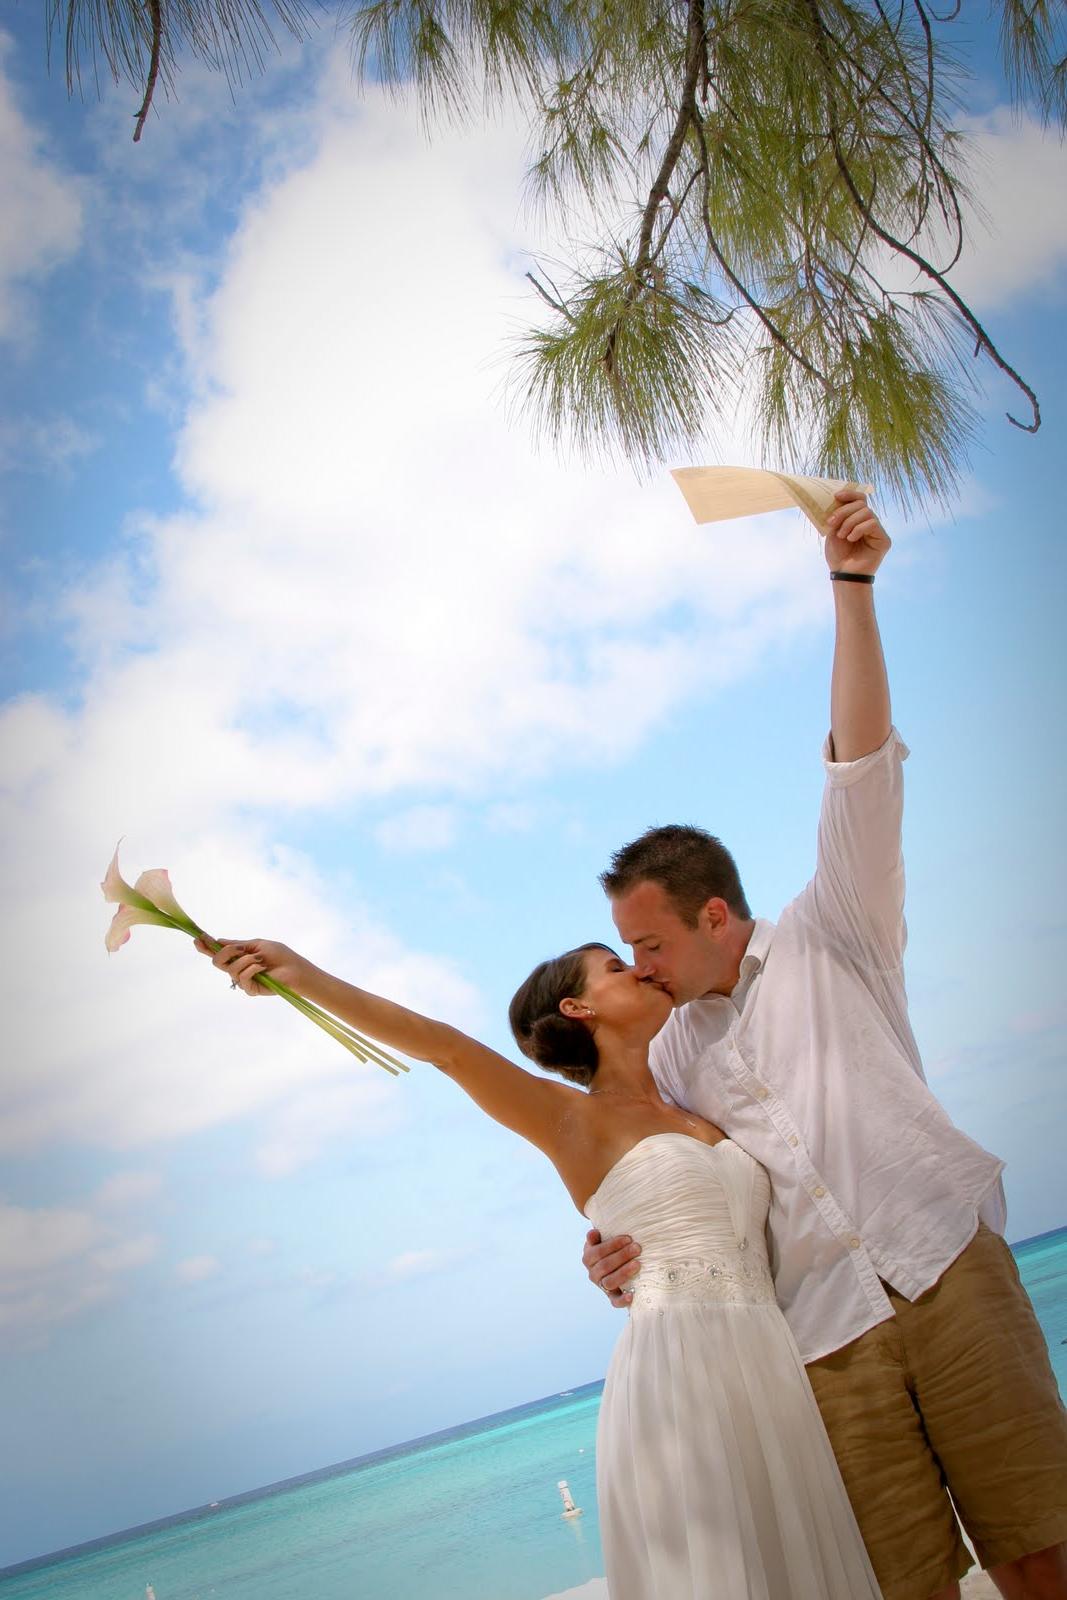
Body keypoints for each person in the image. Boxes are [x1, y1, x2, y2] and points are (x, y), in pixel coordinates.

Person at [583, 489, 1067, 1600]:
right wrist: (615, 1253)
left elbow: (858, 764)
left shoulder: (834, 925)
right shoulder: (668, 1061)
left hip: (943, 1266)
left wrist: (848, 589)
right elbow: (659, 1182)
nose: (640, 966)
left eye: (647, 941)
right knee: (901, 1586)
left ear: (713, 914)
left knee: (1039, 1547)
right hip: (822, 1340)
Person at [198, 953, 881, 1595]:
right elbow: (444, 1047)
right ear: (577, 1007)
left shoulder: (694, 1106)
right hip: (681, 1374)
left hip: (770, 1363)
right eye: (615, 966)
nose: (640, 968)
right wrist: (300, 975)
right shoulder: (568, 1119)